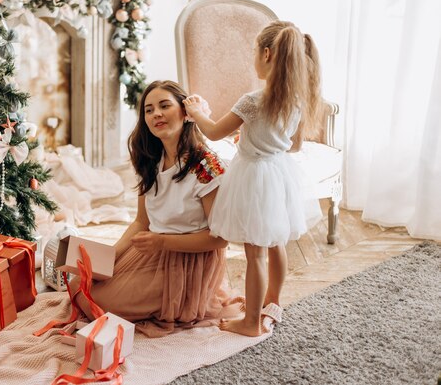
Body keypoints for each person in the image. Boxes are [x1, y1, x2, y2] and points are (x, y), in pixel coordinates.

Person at [183, 20, 323, 337]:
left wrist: (195, 110)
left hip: (254, 177)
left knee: (255, 253)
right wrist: (255, 138)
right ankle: (271, 301)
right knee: (275, 244)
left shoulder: (253, 100)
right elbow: (295, 144)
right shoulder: (297, 100)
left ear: (267, 54)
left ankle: (250, 324)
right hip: (278, 173)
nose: (254, 59)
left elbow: (215, 130)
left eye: (254, 53)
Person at [72, 80, 238, 337]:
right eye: (149, 110)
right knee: (79, 285)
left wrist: (161, 242)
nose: (156, 114)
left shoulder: (205, 165)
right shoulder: (150, 160)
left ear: (185, 113)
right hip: (154, 248)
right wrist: (109, 257)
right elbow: (141, 222)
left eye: (164, 106)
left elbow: (220, 239)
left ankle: (180, 299)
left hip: (188, 259)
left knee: (99, 302)